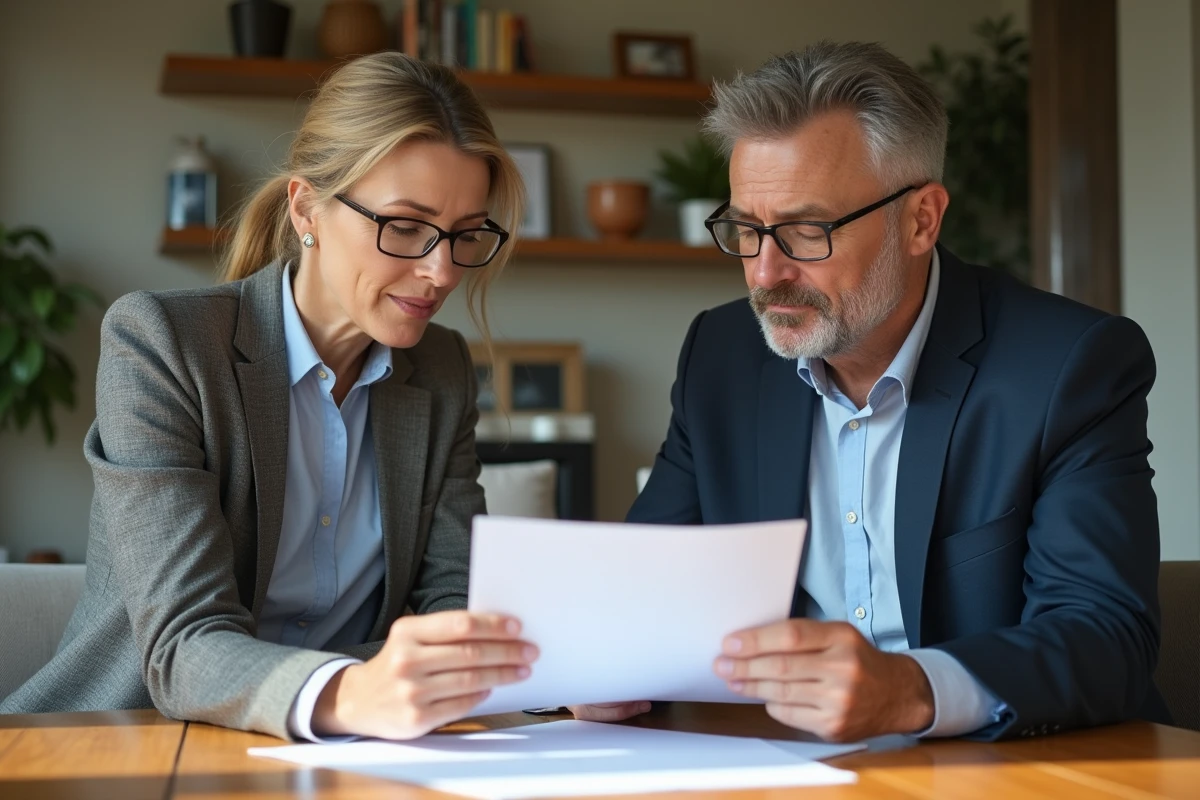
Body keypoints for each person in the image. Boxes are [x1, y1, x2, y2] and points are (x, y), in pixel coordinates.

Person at [622, 41, 1168, 741]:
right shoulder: (721, 358)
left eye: (805, 231)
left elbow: (1106, 637)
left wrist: (912, 690)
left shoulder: (1069, 366)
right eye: (747, 230)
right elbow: (643, 587)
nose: (764, 274)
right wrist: (601, 673)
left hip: (1015, 769)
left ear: (921, 220)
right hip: (787, 770)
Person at [1, 52, 542, 741]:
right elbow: (183, 644)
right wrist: (352, 690)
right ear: (306, 207)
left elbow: (451, 601)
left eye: (466, 234)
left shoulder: (441, 371)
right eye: (405, 226)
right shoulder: (164, 343)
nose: (440, 271)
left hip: (355, 755)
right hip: (119, 743)